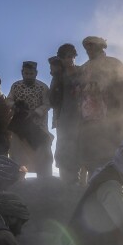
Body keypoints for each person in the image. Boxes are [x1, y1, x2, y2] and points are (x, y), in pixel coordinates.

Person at [77, 36, 123, 180]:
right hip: (88, 115)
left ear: (100, 46)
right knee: (91, 149)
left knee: (110, 149)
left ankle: (113, 181)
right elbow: (77, 88)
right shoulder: (84, 67)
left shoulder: (114, 63)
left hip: (111, 113)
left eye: (91, 46)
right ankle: (93, 180)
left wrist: (105, 88)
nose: (88, 49)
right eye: (86, 47)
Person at [6, 61, 53, 177]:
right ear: (22, 73)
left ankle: (44, 179)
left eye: (31, 73)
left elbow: (48, 104)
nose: (28, 76)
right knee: (17, 153)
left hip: (38, 126)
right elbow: (8, 100)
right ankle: (18, 179)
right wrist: (15, 106)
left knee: (43, 151)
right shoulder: (16, 86)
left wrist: (34, 113)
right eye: (26, 73)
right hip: (19, 126)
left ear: (36, 73)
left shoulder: (42, 87)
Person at [51, 44, 82, 183]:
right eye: (65, 57)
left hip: (81, 115)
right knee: (63, 147)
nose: (68, 60)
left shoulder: (82, 71)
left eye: (70, 56)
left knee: (80, 146)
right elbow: (53, 100)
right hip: (64, 116)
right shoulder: (58, 76)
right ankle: (65, 181)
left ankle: (80, 181)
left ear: (74, 56)